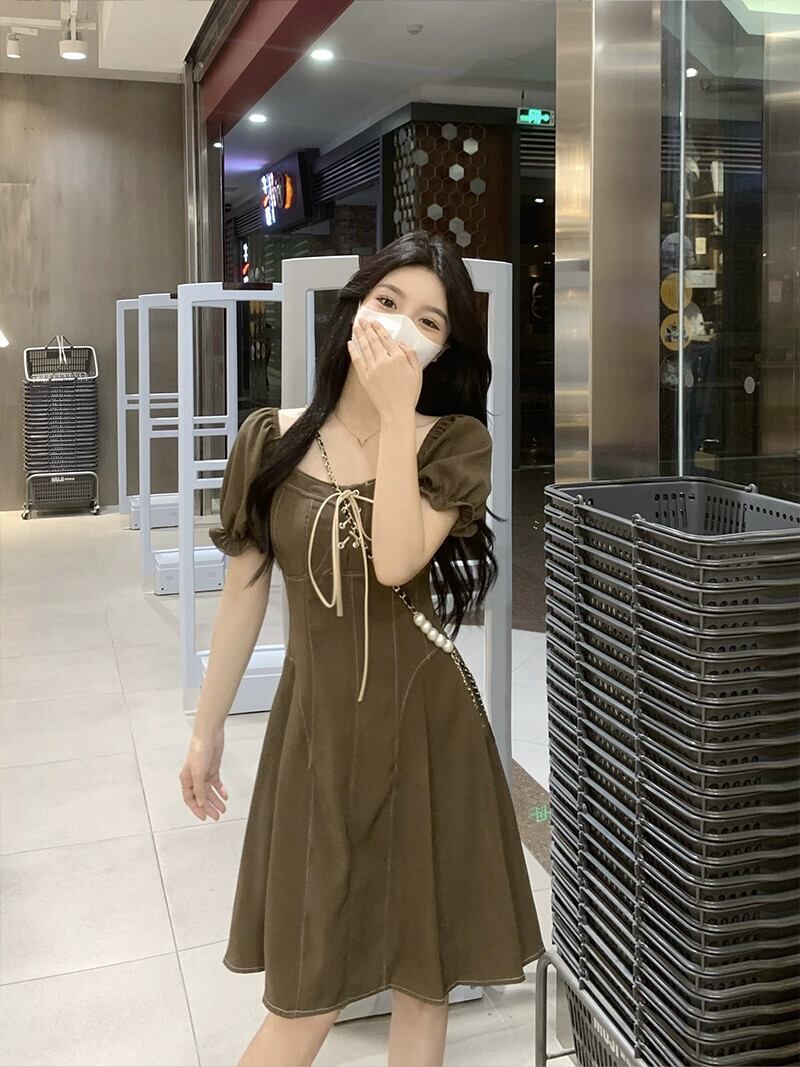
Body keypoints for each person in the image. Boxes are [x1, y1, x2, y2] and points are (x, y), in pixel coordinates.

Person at [179, 231, 545, 1067]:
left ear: (444, 350)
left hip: (429, 734)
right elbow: (244, 591)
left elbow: (395, 562)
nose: (402, 326)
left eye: (430, 321)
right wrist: (205, 729)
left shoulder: (452, 442)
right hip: (318, 738)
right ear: (353, 310)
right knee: (306, 998)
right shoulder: (271, 437)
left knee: (423, 983)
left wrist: (395, 415)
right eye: (388, 302)